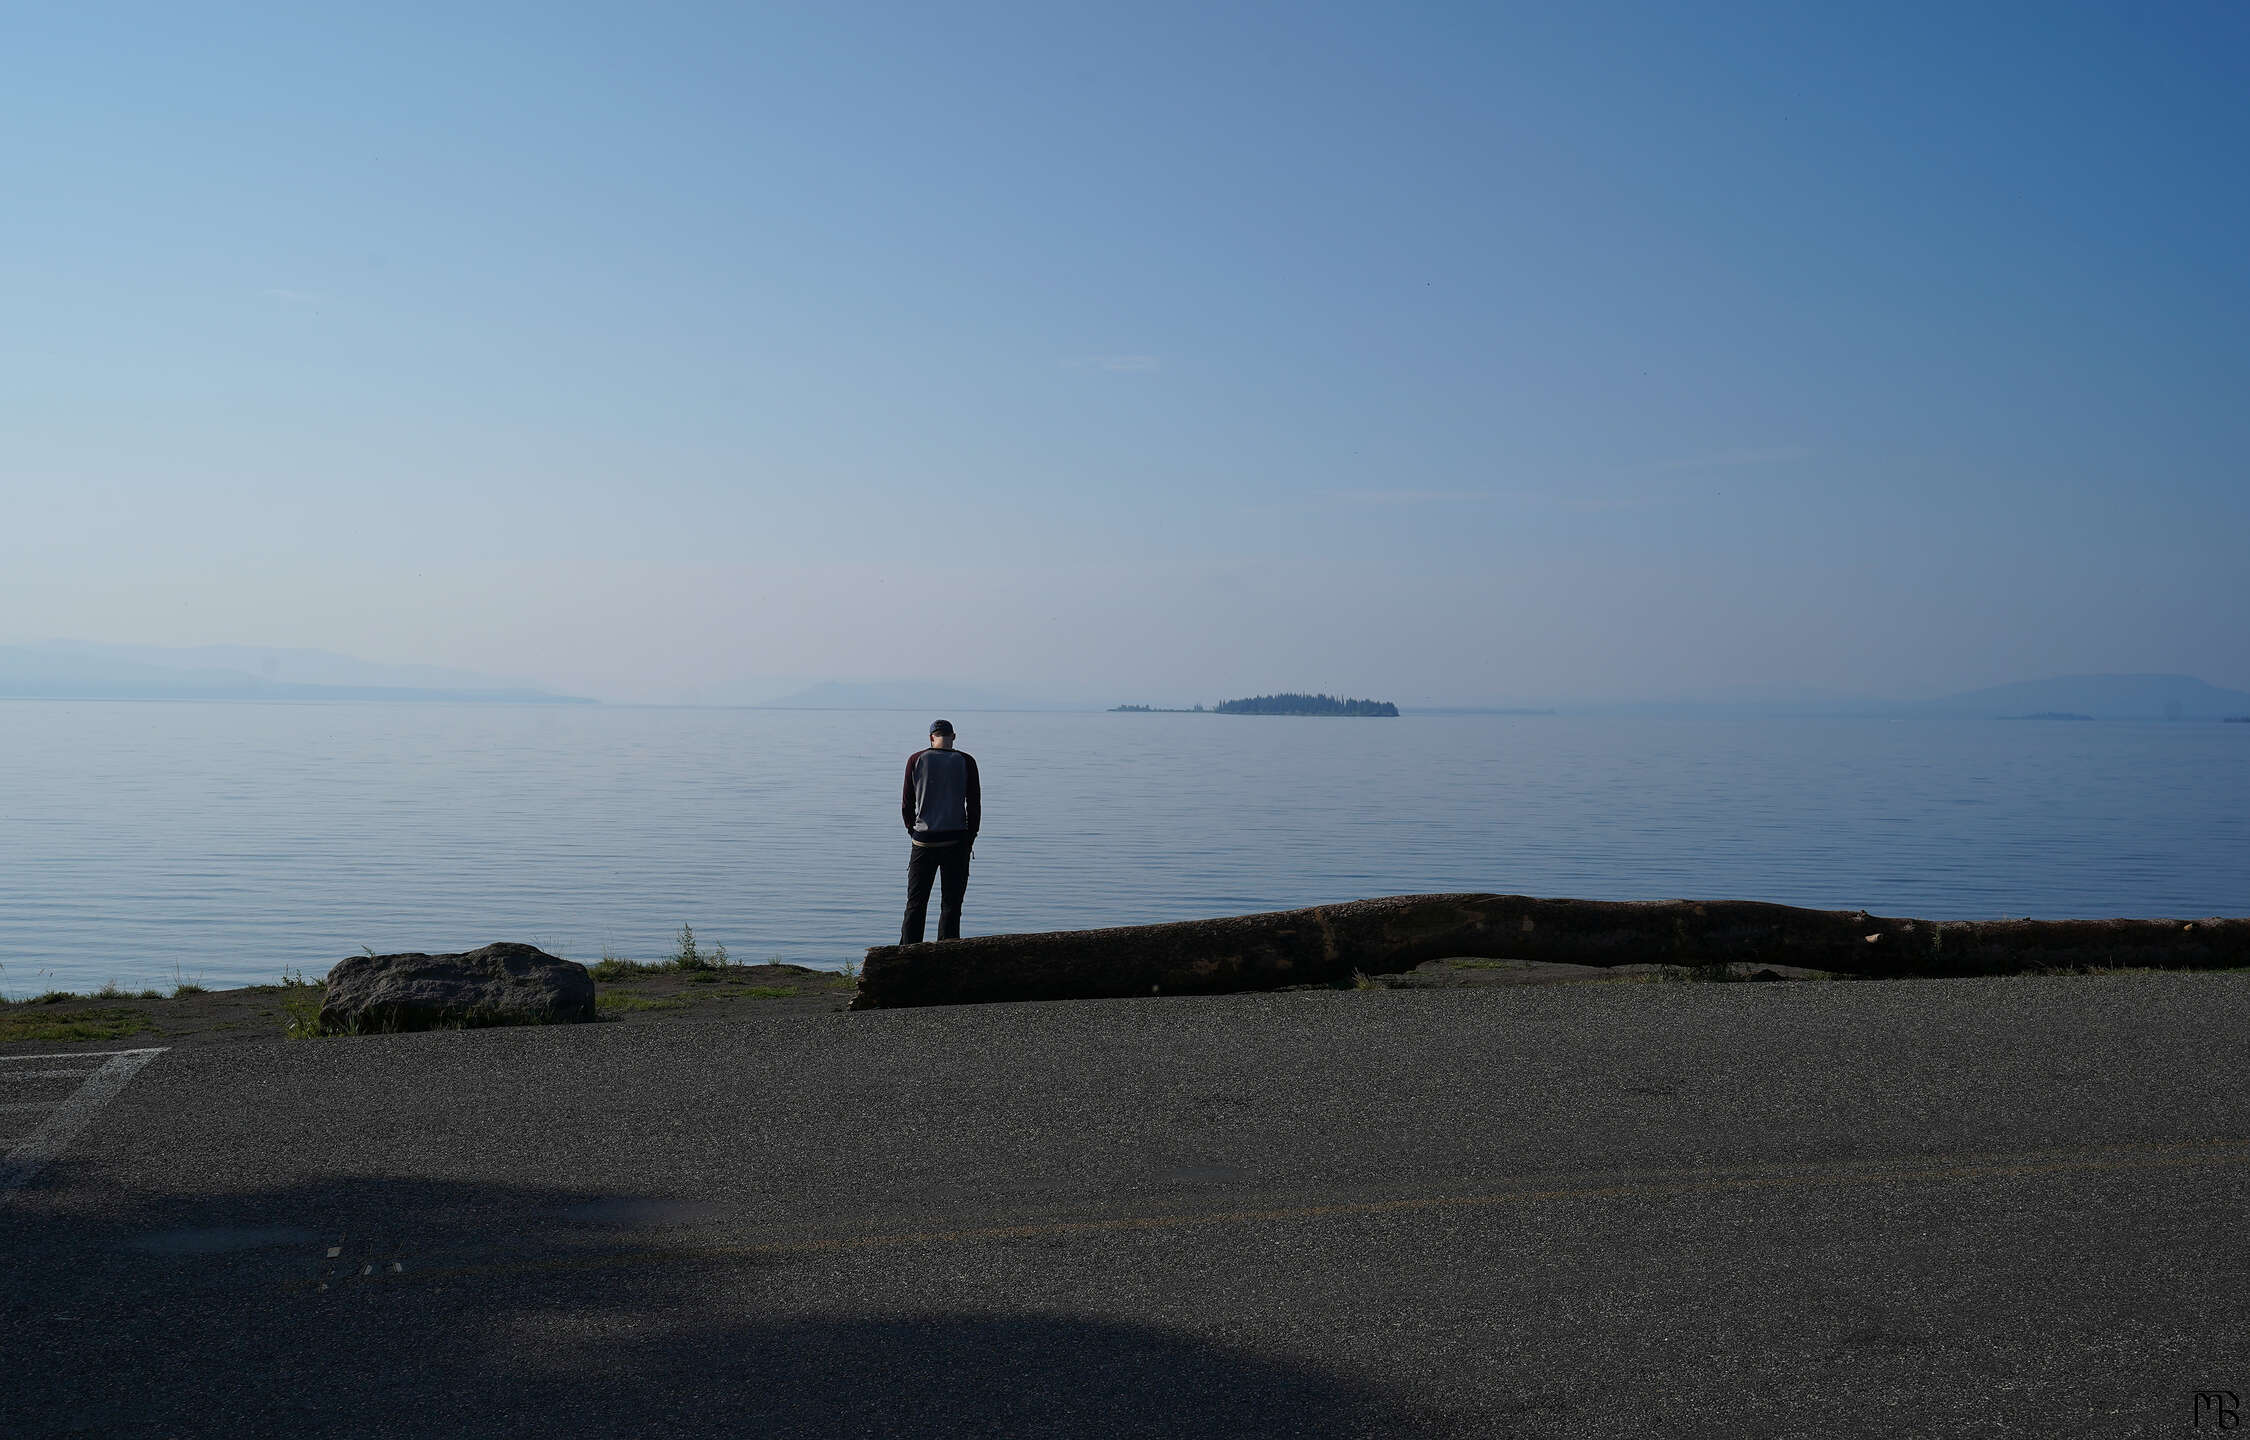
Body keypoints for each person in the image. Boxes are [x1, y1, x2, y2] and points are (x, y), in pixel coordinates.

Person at [899, 719, 980, 944]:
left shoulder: (915, 760)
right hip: (956, 841)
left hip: (924, 842)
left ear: (931, 738)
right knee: (951, 905)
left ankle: (907, 954)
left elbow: (907, 803)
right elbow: (973, 805)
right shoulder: (966, 761)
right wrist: (970, 837)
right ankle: (947, 953)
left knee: (916, 903)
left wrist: (912, 831)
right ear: (953, 737)